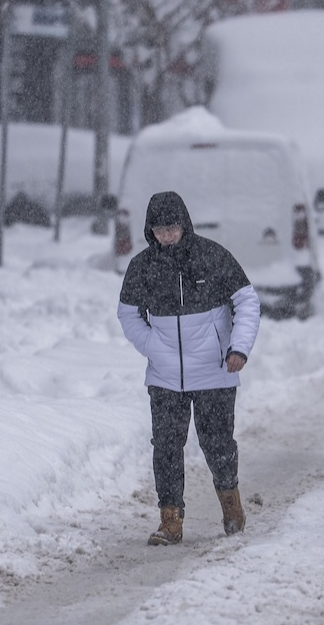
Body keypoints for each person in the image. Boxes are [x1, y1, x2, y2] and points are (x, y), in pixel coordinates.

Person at [117, 191, 261, 546]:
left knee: (217, 443)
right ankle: (170, 521)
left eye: (172, 227)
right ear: (150, 231)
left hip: (214, 372)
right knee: (166, 447)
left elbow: (247, 299)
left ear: (184, 225)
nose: (167, 235)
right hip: (165, 377)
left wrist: (238, 347)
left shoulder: (212, 256)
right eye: (159, 229)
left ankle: (231, 506)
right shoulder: (142, 266)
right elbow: (127, 313)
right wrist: (153, 348)